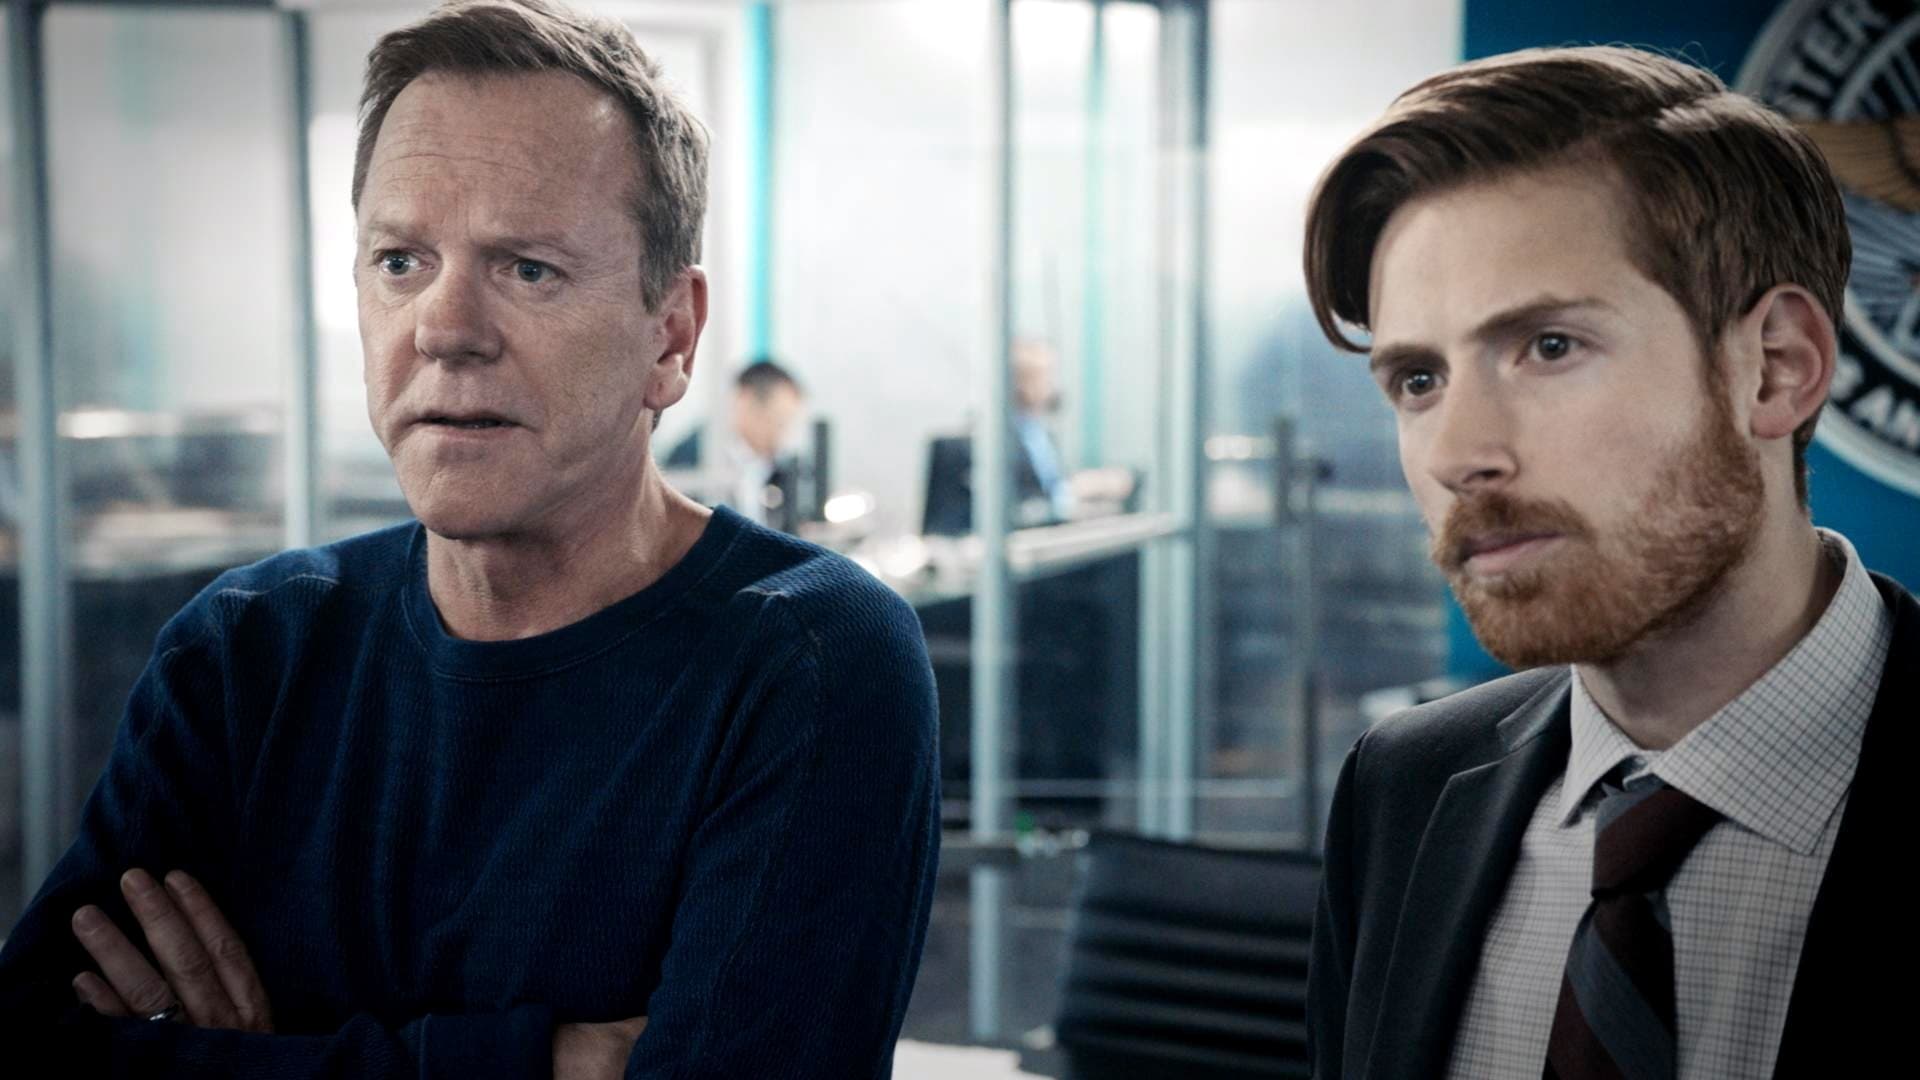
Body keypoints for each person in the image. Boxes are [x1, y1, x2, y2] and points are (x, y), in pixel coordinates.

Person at [0, 3, 940, 1078]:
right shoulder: (246, 651)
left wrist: (244, 1059)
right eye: (400, 261)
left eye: (527, 268)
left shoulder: (807, 661)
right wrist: (537, 1063)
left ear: (671, 337)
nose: (443, 329)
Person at [1300, 46, 1913, 1079]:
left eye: (1548, 347)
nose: (1458, 455)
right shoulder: (1402, 787)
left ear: (1775, 368)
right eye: (1418, 380)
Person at [663, 359, 806, 529]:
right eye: (779, 422)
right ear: (746, 401)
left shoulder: (779, 471)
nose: (783, 437)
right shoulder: (693, 459)